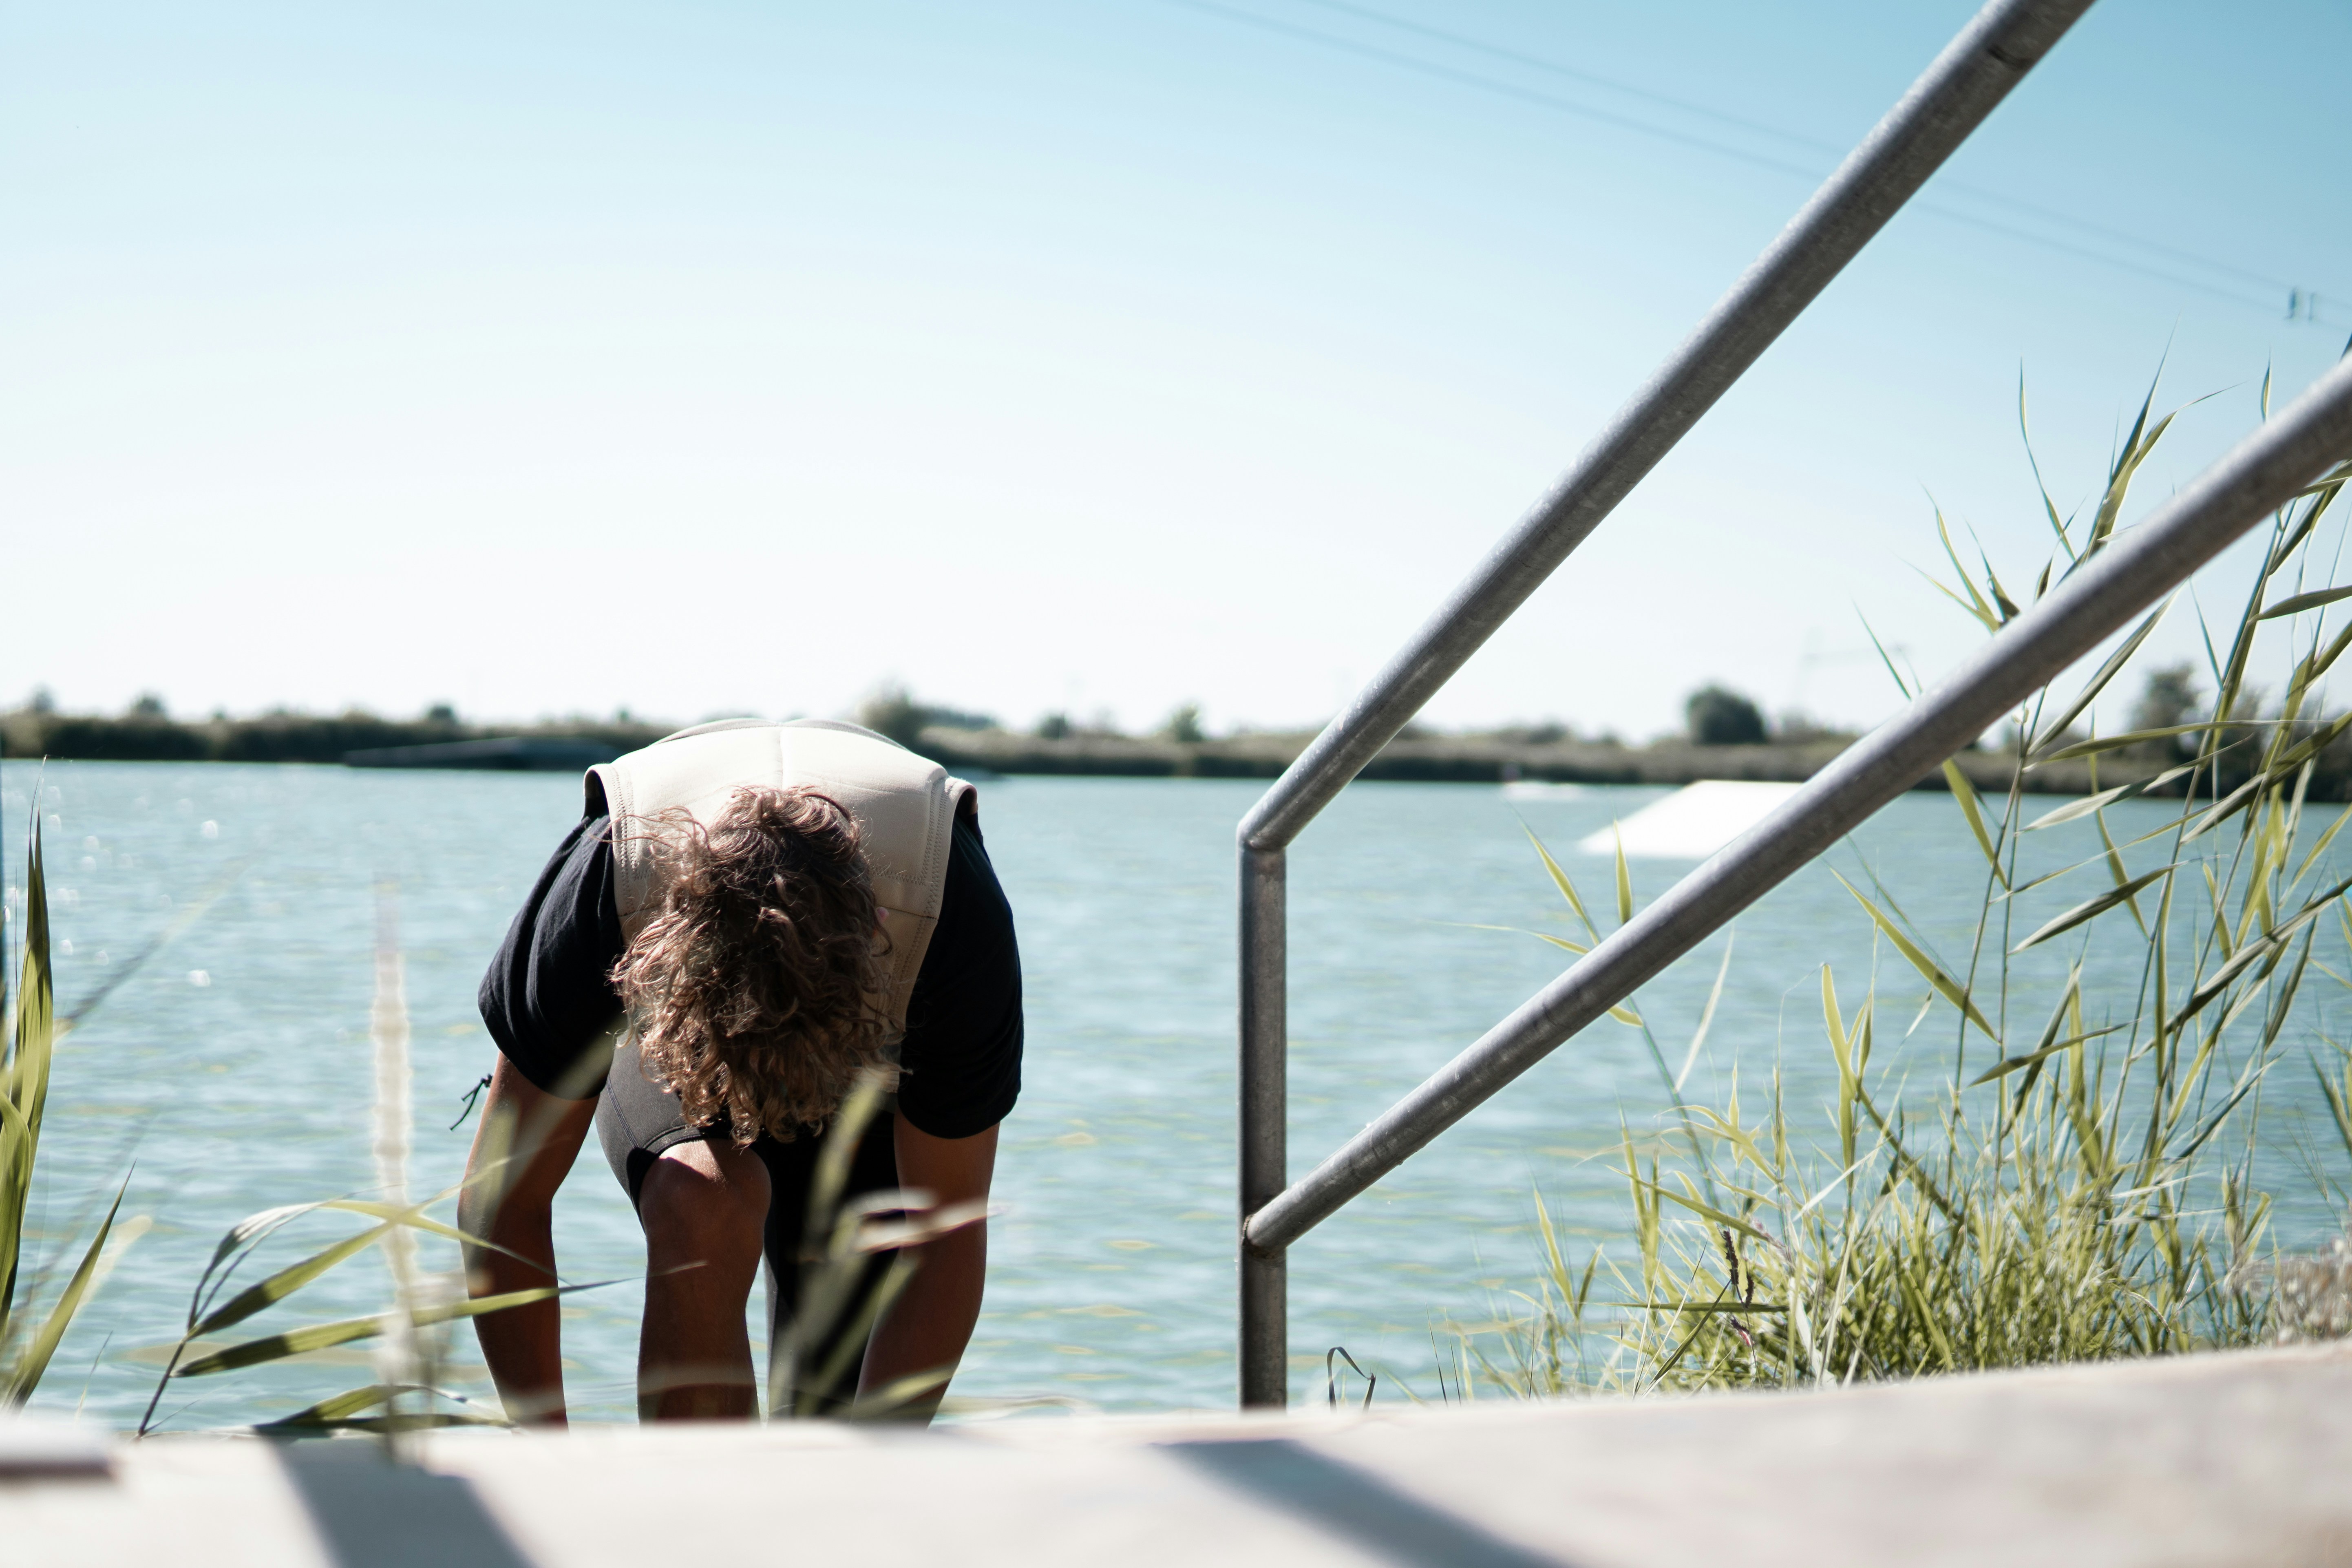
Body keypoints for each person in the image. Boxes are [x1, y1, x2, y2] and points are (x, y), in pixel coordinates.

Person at [458, 718, 1022, 1423]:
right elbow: (500, 1203)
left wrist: (876, 1470)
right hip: (677, 1019)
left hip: (870, 1050)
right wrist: (547, 1453)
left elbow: (945, 1236)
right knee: (705, 1199)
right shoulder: (605, 887)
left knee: (841, 1421)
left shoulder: (951, 922)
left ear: (874, 929)